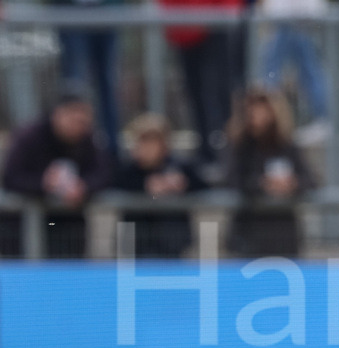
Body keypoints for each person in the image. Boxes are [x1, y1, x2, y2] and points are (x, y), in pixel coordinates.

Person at [1, 90, 111, 257]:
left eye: (84, 120)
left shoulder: (88, 139)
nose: (79, 125)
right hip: (24, 228)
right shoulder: (29, 137)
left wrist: (84, 187)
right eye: (74, 118)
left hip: (68, 230)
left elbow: (104, 173)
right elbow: (11, 178)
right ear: (58, 114)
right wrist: (43, 184)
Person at [224, 87, 315, 256]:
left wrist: (292, 184)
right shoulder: (241, 147)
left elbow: (310, 180)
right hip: (247, 235)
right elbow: (232, 180)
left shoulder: (287, 147)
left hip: (283, 236)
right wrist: (262, 184)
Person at [159, 0, 244, 165]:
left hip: (216, 23)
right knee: (194, 91)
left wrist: (225, 14)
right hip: (185, 29)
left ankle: (230, 147)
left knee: (220, 90)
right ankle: (206, 150)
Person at [112, 113, 208, 257]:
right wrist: (145, 185)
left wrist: (182, 184)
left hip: (172, 244)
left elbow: (204, 186)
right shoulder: (128, 170)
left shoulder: (180, 167)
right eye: (144, 141)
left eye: (153, 141)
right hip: (137, 245)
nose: (148, 148)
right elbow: (114, 185)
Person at [50, 0, 123, 153]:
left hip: (108, 12)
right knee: (75, 91)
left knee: (107, 87)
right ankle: (71, 152)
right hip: (70, 13)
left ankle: (111, 154)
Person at [258, 0, 331, 142]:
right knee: (273, 70)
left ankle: (323, 118)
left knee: (308, 71)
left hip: (300, 19)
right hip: (285, 19)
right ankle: (266, 118)